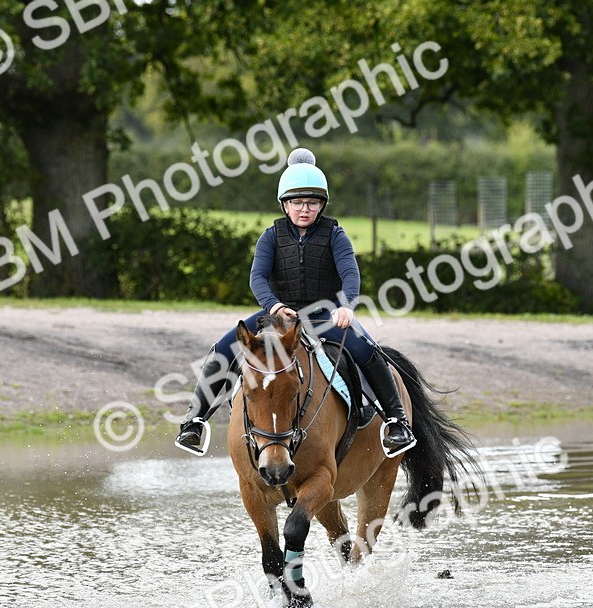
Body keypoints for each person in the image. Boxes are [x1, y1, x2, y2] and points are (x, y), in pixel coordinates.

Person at [174, 148, 417, 459]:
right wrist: (274, 306)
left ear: (322, 205)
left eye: (312, 203)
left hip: (325, 315)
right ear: (285, 204)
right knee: (222, 349)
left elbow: (350, 275)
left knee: (368, 352)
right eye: (298, 202)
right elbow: (257, 279)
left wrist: (347, 307)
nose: (305, 209)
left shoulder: (335, 236)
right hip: (278, 316)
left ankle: (397, 423)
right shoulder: (271, 237)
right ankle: (194, 422)